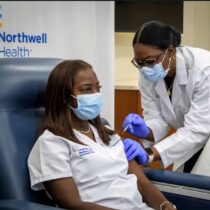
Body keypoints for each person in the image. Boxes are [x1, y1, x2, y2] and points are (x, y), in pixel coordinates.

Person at [27, 60, 176, 210]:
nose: (95, 94)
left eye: (97, 88)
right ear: (65, 97)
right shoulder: (52, 143)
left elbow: (143, 185)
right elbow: (73, 204)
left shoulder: (106, 133)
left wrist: (166, 206)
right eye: (86, 89)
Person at [122, 20, 210, 173]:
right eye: (139, 62)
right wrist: (147, 130)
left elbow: (197, 129)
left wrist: (150, 154)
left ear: (170, 51)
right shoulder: (148, 73)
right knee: (186, 185)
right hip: (191, 136)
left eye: (149, 61)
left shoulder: (204, 69)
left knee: (201, 187)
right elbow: (157, 118)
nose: (144, 68)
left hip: (200, 133)